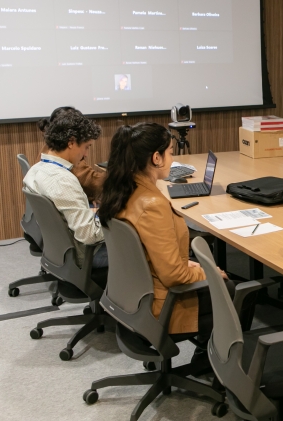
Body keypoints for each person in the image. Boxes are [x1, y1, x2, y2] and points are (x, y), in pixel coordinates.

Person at [97, 123, 229, 339]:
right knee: (233, 289)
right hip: (162, 306)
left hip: (131, 297)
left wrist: (190, 263)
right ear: (156, 158)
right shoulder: (151, 205)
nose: (173, 159)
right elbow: (174, 276)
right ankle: (211, 363)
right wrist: (210, 273)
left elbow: (151, 252)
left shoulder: (121, 190)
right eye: (170, 152)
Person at [23, 110, 108, 268]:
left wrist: (94, 214)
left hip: (61, 250)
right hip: (86, 255)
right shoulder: (63, 181)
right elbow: (89, 235)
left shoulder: (36, 170)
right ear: (71, 142)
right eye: (86, 147)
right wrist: (116, 219)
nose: (86, 155)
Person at [38, 107, 106, 202]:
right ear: (71, 140)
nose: (85, 154)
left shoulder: (48, 151)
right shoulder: (65, 167)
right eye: (86, 147)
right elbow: (93, 183)